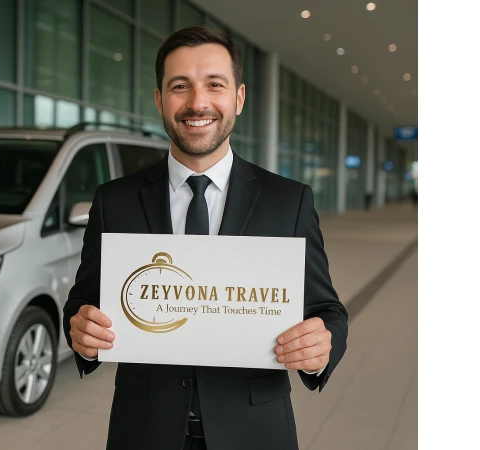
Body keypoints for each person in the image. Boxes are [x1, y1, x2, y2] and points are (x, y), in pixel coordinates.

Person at [62, 26, 348, 450]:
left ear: (239, 98)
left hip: (255, 433)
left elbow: (327, 309)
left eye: (215, 84)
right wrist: (83, 335)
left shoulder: (289, 201)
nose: (197, 102)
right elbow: (82, 302)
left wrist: (322, 344)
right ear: (160, 99)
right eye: (180, 86)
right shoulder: (114, 200)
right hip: (143, 432)